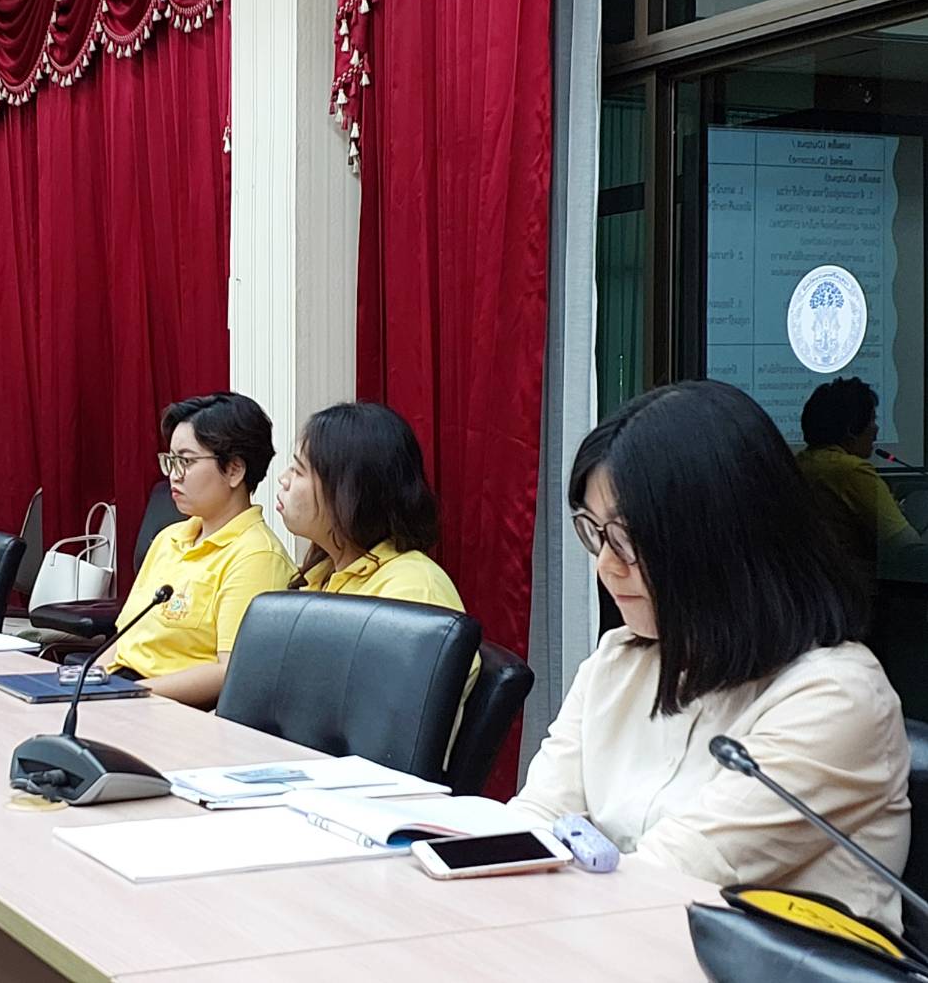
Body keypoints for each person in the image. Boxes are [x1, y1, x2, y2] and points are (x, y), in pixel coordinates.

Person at [510, 380, 910, 931]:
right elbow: (530, 825)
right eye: (596, 534)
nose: (605, 565)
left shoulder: (836, 698)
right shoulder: (616, 663)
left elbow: (663, 885)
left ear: (718, 536)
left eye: (624, 538)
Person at [275, 402, 477, 758]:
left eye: (299, 470)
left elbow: (383, 727)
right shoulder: (322, 575)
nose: (284, 480)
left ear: (350, 490)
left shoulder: (413, 588)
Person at [104, 392, 295, 708]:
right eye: (170, 461)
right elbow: (123, 640)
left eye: (186, 461)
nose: (173, 475)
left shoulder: (256, 556)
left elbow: (230, 671)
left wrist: (126, 695)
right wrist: (84, 686)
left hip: (168, 708)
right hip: (120, 693)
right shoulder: (168, 538)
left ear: (234, 470)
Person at [796, 376, 919, 563]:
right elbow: (907, 546)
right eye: (872, 420)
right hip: (853, 577)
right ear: (851, 429)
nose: (876, 429)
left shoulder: (799, 463)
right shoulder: (851, 471)